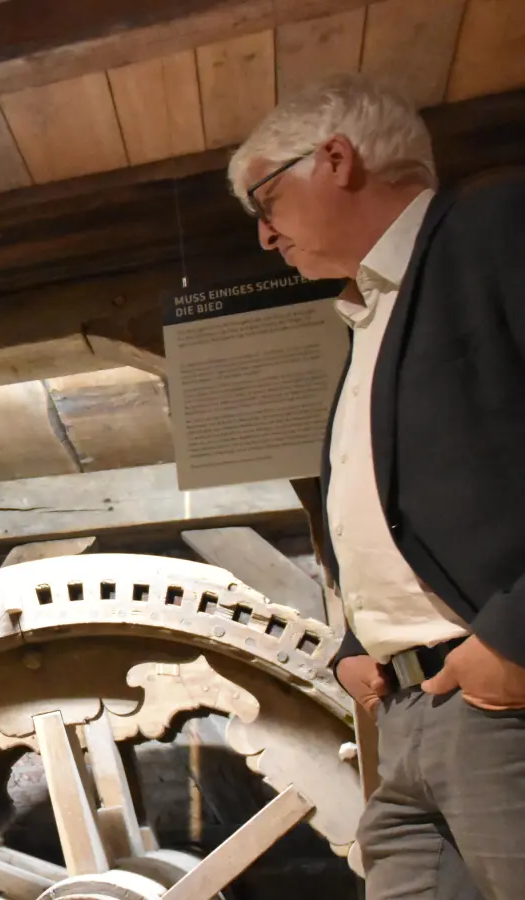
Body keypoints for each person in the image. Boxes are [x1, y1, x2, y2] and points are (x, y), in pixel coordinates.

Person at [227, 74, 525, 899]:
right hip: (410, 710)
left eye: (266, 199)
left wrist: (514, 638)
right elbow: (405, 510)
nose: (264, 235)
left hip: (502, 696)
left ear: (336, 158)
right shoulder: (369, 319)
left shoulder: (498, 229)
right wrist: (363, 642)